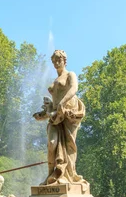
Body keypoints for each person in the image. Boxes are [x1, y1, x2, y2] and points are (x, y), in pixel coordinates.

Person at [33, 50, 87, 185]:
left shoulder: (70, 74)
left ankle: (68, 175)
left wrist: (62, 102)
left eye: (59, 60)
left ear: (64, 60)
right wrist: (45, 113)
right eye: (54, 61)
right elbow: (54, 103)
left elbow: (74, 89)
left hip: (68, 113)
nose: (56, 63)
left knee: (69, 144)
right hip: (55, 116)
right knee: (52, 144)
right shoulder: (55, 80)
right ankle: (51, 176)